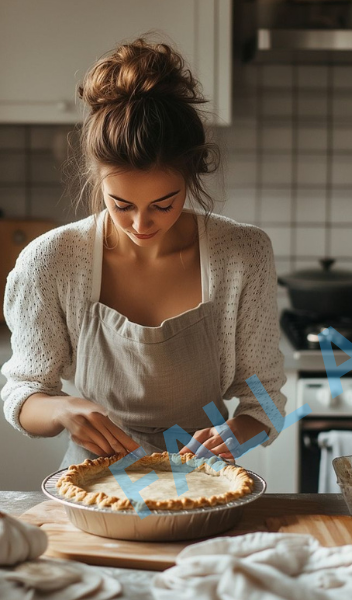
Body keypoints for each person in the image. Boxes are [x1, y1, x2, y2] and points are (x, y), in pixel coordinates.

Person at [1, 38, 287, 469]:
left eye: (163, 203)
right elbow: (22, 391)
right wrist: (62, 410)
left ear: (191, 177)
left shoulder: (242, 254)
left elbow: (264, 396)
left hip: (206, 480)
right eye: (121, 205)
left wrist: (239, 433)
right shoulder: (52, 259)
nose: (141, 224)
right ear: (97, 181)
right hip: (94, 484)